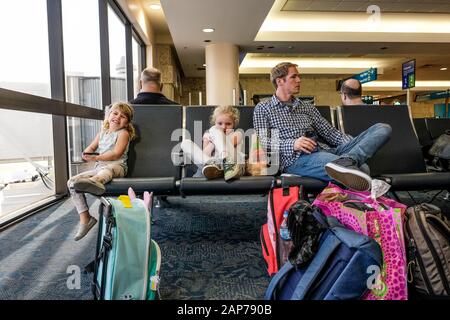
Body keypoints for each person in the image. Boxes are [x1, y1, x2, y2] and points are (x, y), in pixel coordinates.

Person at [253, 62, 392, 191]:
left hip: (327, 152)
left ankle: (348, 160)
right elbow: (263, 142)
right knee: (363, 169)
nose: (299, 80)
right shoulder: (264, 108)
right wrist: (293, 143)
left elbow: (330, 133)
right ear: (279, 81)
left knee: (383, 128)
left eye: (298, 76)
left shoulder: (307, 107)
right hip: (296, 159)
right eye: (294, 77)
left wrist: (356, 143)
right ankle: (347, 165)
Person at [67, 102, 136, 241]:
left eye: (123, 116)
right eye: (115, 113)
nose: (118, 117)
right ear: (109, 115)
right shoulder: (102, 134)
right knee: (72, 182)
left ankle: (95, 183)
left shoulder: (123, 133)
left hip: (117, 166)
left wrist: (96, 157)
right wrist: (86, 154)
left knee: (106, 170)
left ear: (127, 122)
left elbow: (116, 154)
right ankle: (86, 218)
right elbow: (90, 148)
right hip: (99, 168)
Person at [181, 105, 245, 181]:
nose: (223, 127)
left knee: (214, 130)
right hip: (214, 165)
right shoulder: (209, 135)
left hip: (234, 165)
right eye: (220, 123)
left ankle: (228, 163)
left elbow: (228, 143)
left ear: (234, 124)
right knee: (185, 143)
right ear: (215, 122)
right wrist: (211, 144)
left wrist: (213, 140)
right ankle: (212, 167)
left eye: (228, 124)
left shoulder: (237, 134)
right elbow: (205, 154)